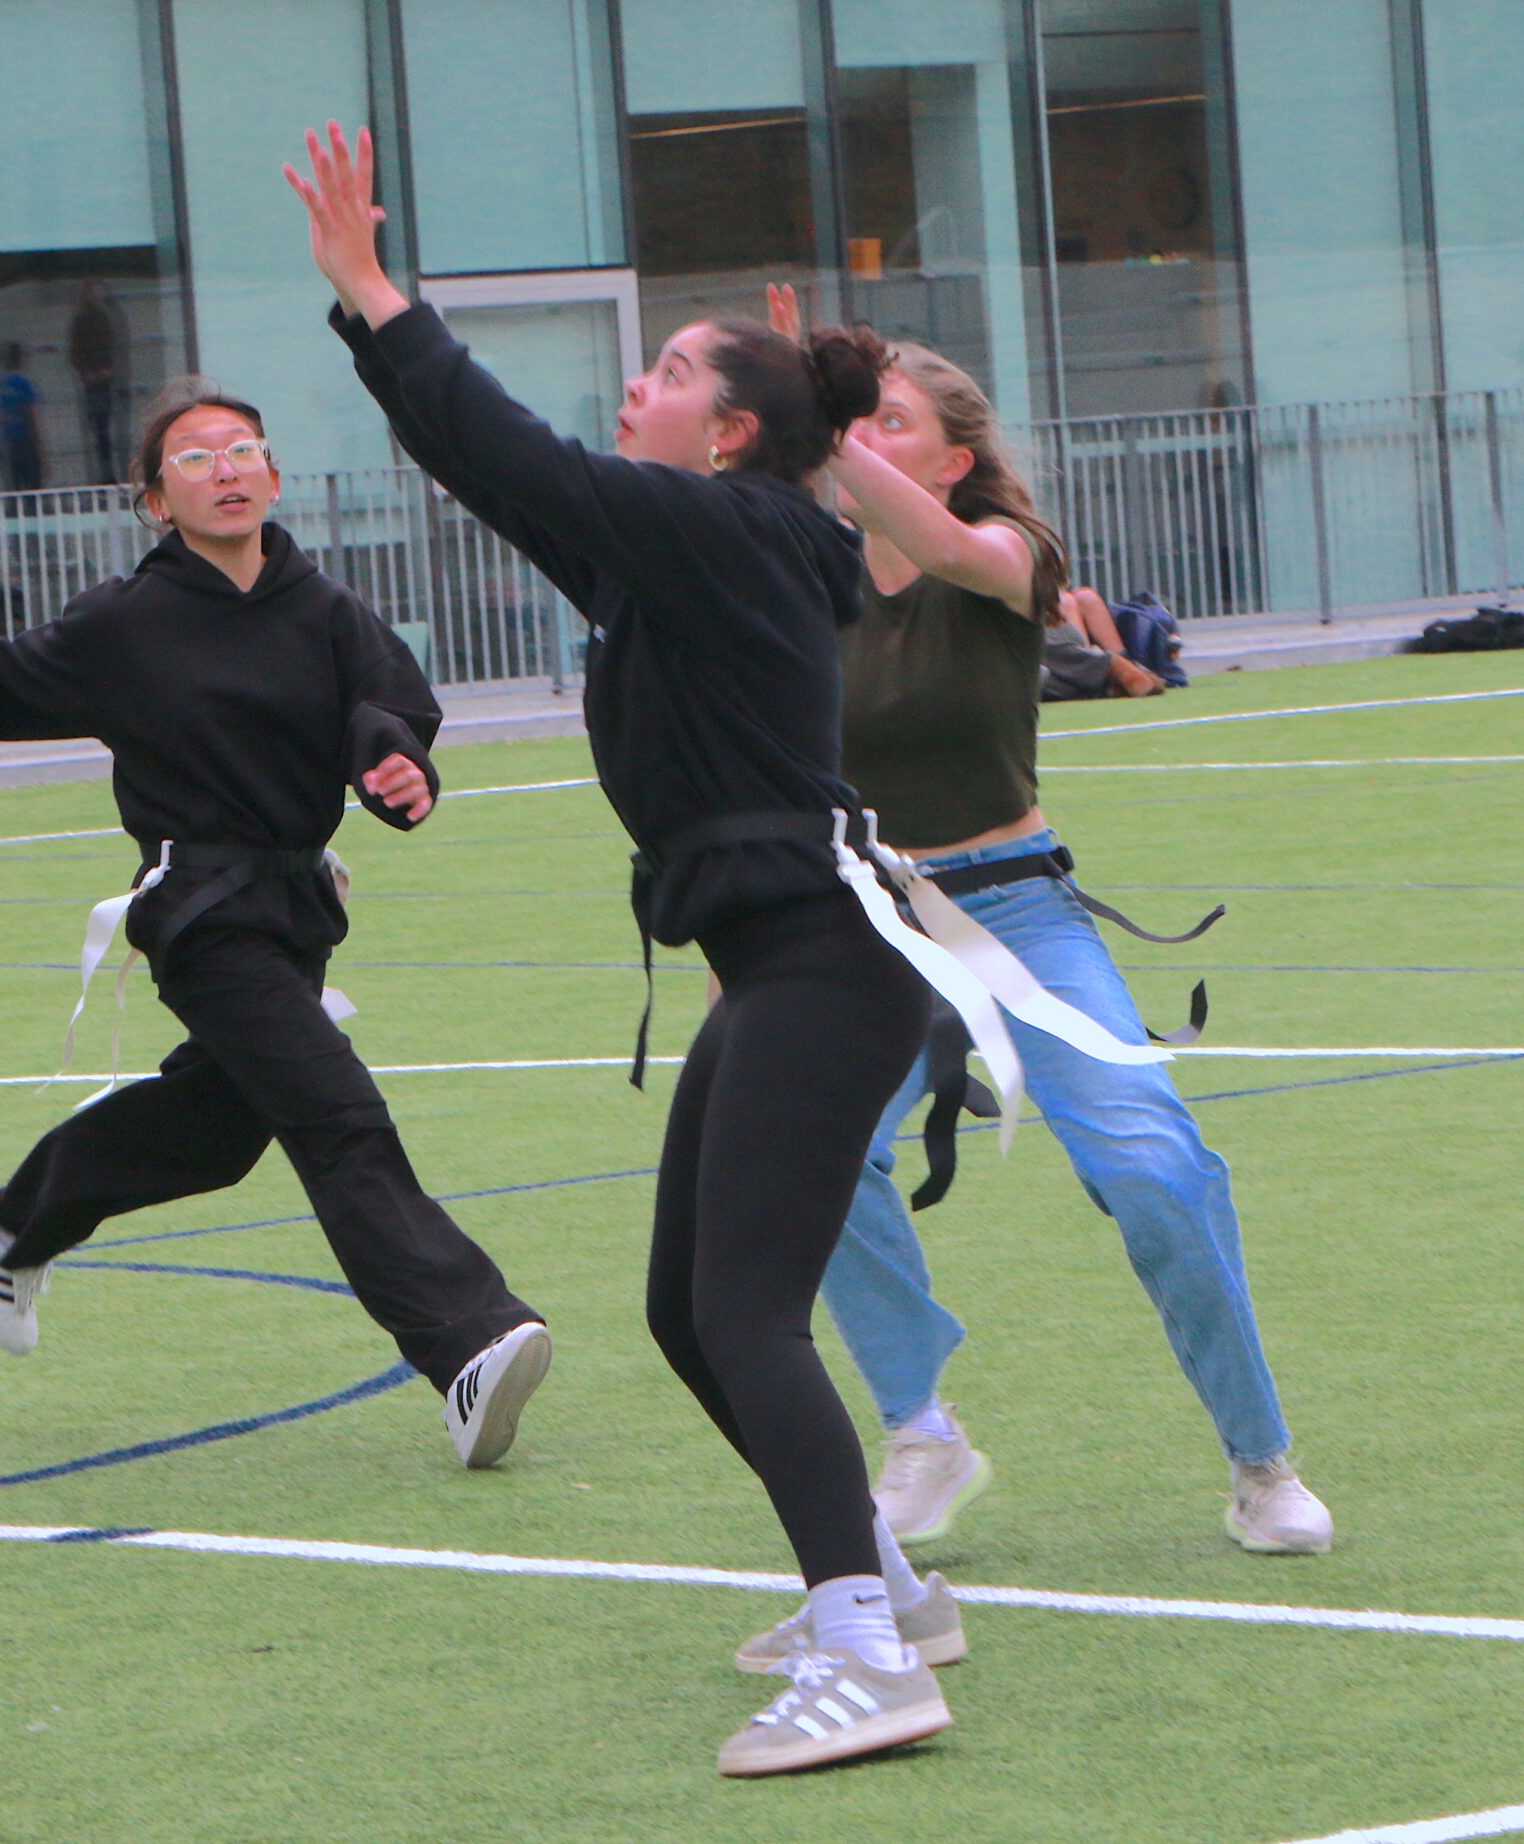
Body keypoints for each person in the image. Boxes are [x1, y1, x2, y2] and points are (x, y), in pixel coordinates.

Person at [291, 123, 952, 1776]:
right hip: (783, 953)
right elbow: (489, 470)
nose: (634, 384)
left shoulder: (721, 532)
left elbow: (515, 455)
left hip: (825, 955)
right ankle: (889, 1584)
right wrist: (379, 335)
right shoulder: (691, 549)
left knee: (749, 1311)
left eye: (665, 369)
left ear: (728, 431)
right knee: (689, 1305)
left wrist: (378, 290)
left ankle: (868, 1651)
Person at [0, 381, 553, 1471]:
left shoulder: (328, 609)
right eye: (196, 456)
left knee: (216, 1131)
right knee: (335, 1113)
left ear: (271, 476)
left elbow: (389, 712)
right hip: (201, 915)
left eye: (244, 449)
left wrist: (397, 766)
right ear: (156, 499)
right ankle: (466, 1341)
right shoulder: (126, 621)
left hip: (298, 907)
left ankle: (15, 1219)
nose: (226, 468)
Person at [764, 291, 1330, 1564]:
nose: (856, 433)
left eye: (883, 418)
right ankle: (920, 1427)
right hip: (858, 919)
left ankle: (1259, 1460)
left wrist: (818, 414)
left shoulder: (1009, 547)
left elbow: (956, 557)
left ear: (948, 459)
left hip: (1016, 902)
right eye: (848, 418)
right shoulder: (800, 566)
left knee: (1153, 1170)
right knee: (809, 1159)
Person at [68, 281, 123, 485]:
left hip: (99, 381)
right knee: (99, 430)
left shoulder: (97, 319)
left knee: (102, 429)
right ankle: (104, 474)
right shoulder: (85, 321)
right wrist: (88, 373)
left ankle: (107, 474)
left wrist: (104, 371)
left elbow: (109, 345)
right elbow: (76, 351)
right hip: (94, 381)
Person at [0, 341, 46, 492]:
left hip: (3, 441)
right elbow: (31, 416)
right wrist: (39, 447)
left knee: (12, 484)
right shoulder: (22, 383)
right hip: (24, 440)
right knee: (32, 485)